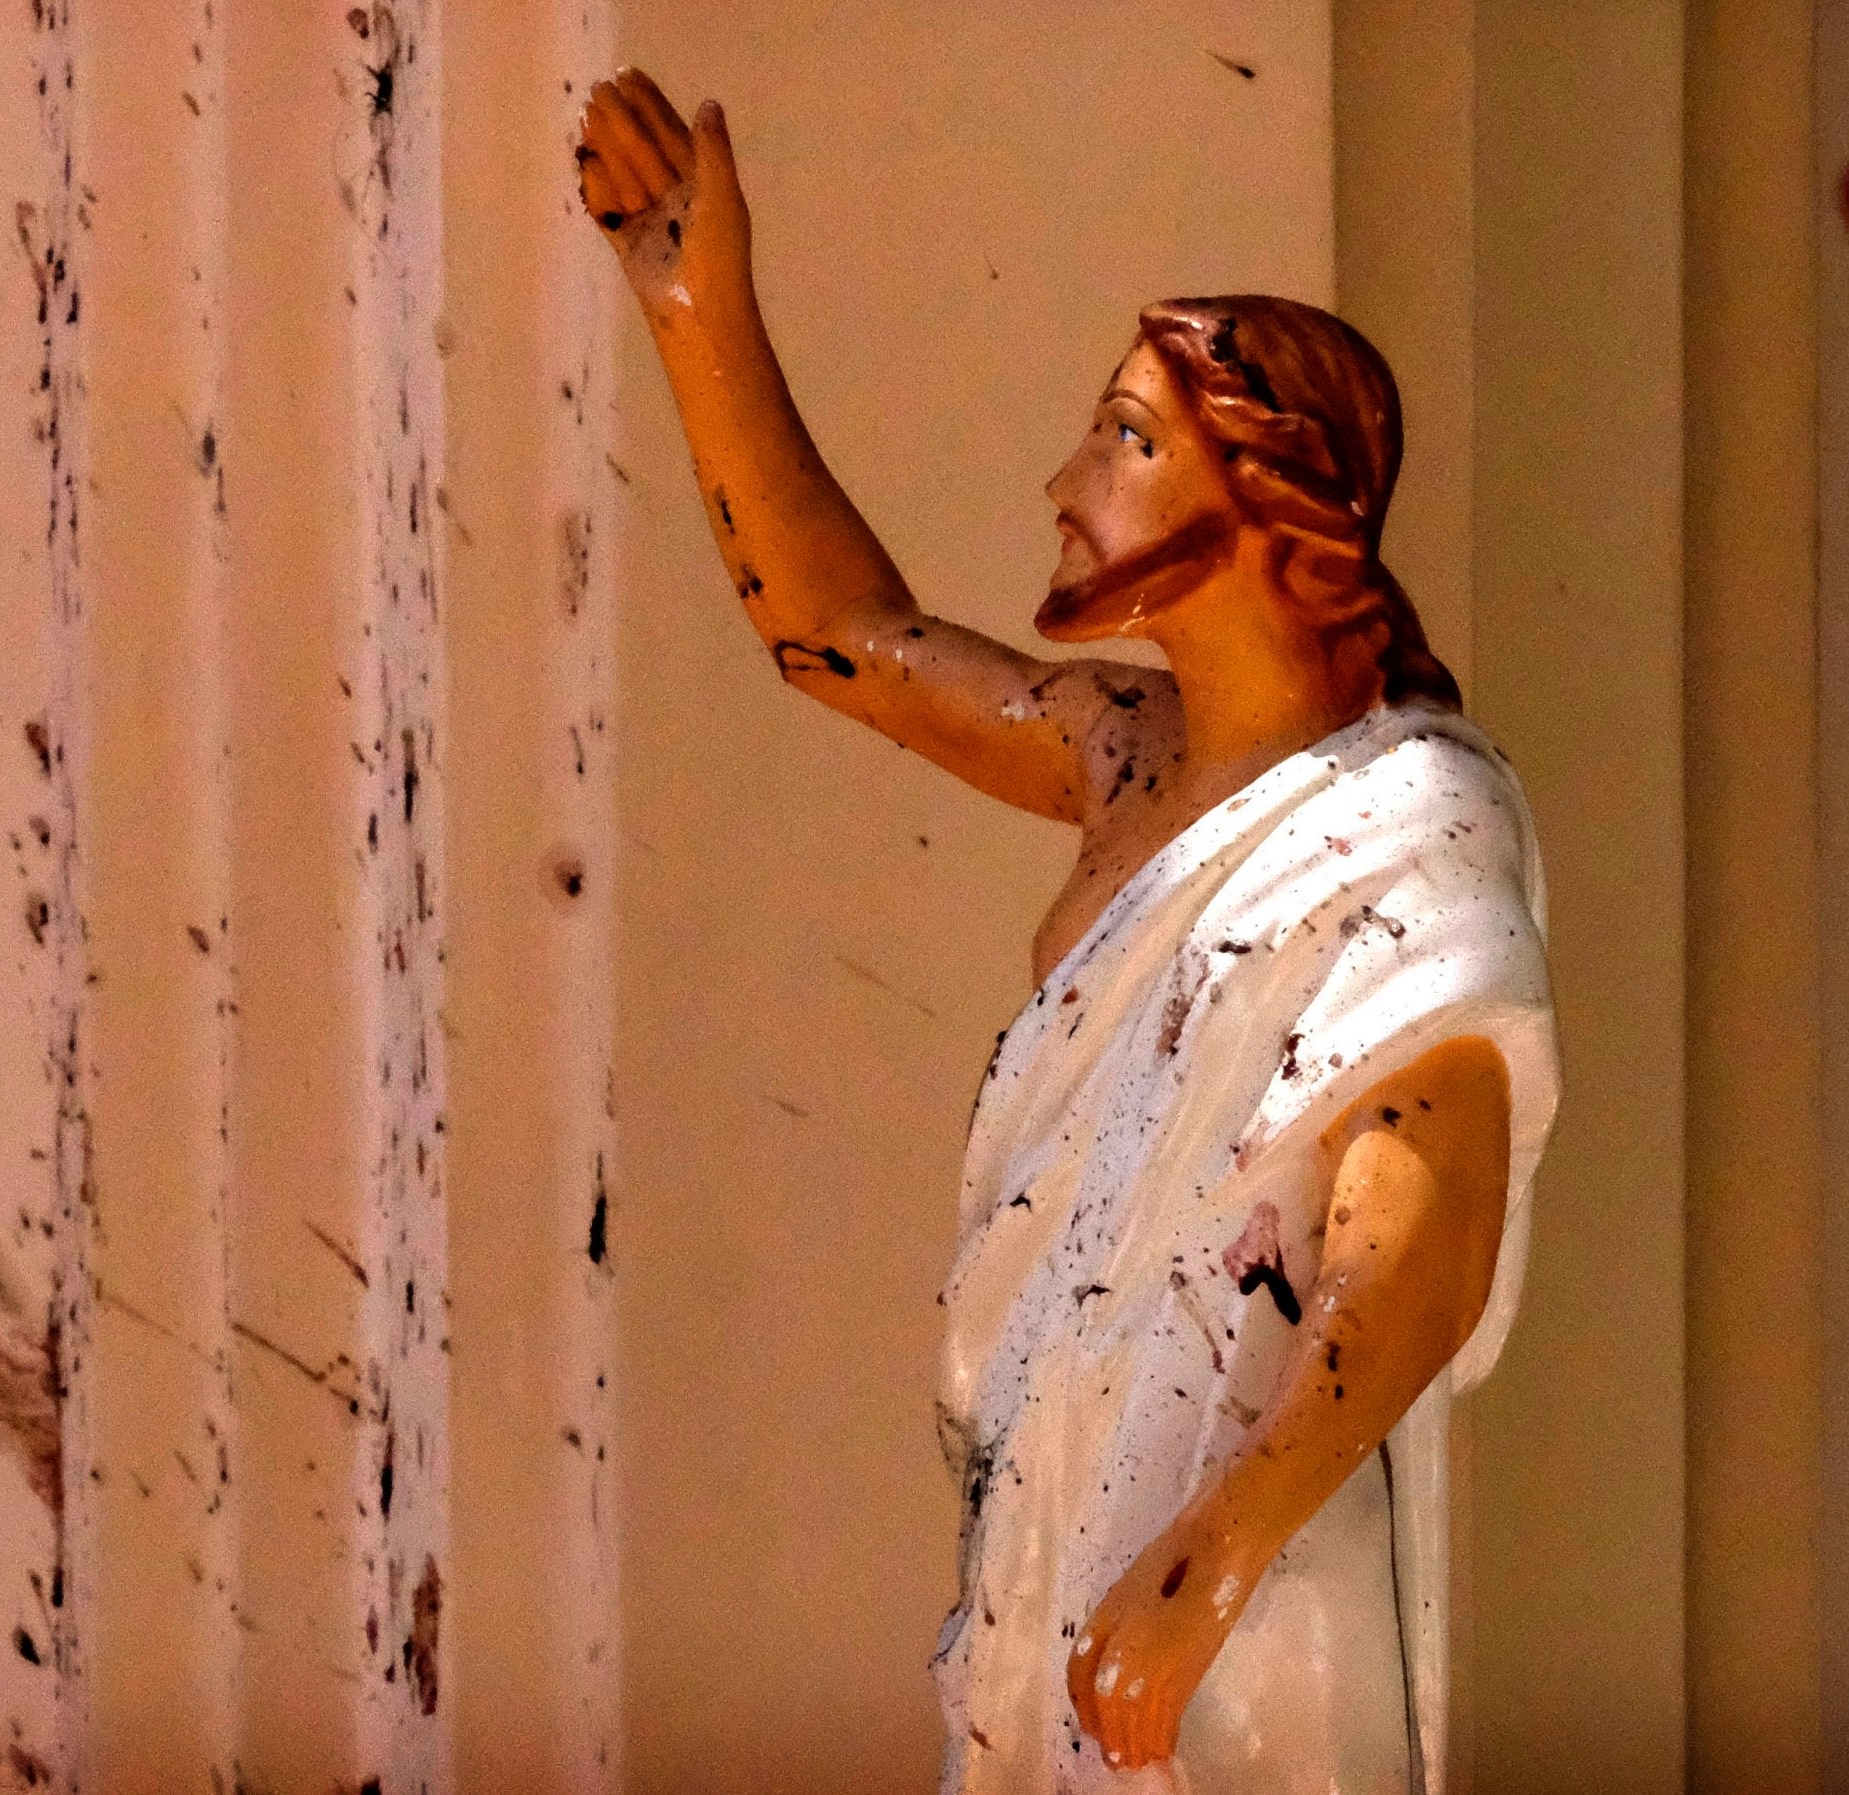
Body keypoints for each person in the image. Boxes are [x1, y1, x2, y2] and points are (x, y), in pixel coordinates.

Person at [574, 71, 1560, 1793]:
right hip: (1049, 1518)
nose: (1066, 479)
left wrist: (1213, 1556)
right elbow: (843, 638)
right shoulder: (1124, 755)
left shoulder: (1409, 822)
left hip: (1238, 1580)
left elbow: (1423, 1235)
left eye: (1125, 438)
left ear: (1270, 500)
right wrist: (699, 313)